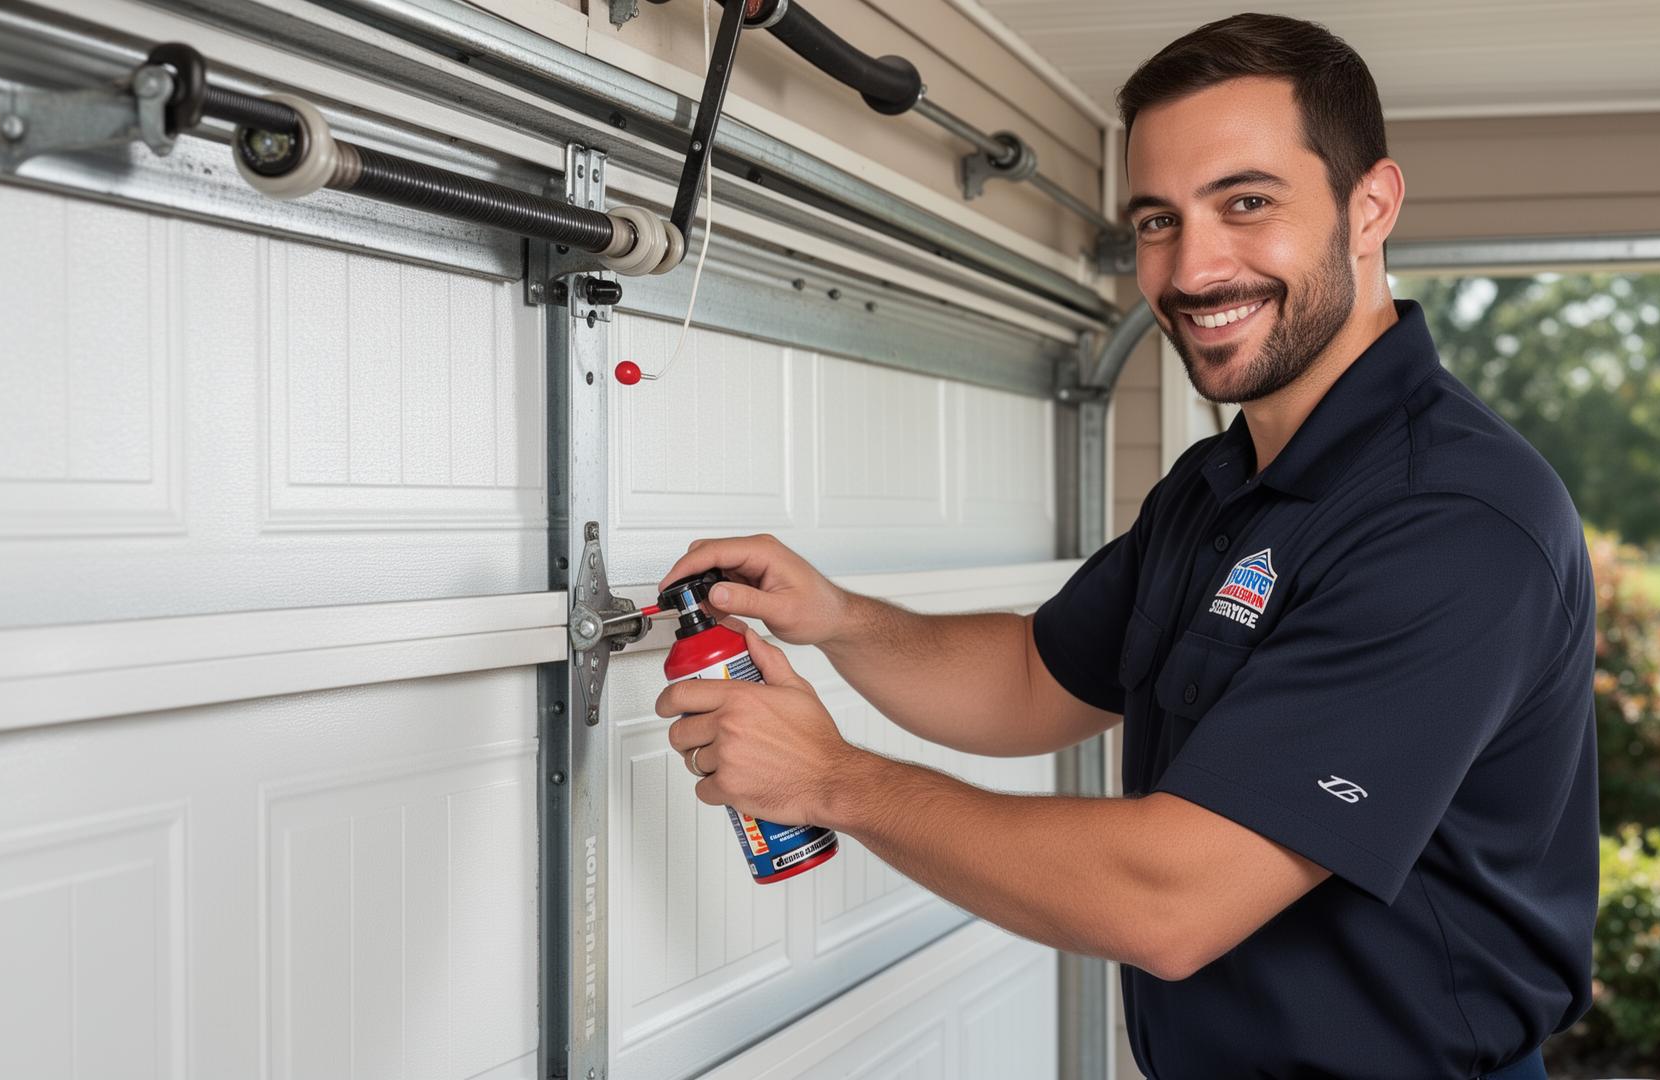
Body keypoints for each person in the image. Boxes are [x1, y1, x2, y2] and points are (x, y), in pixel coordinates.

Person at [655, 12, 1596, 1078]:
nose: (1193, 268)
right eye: (1158, 219)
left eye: (1246, 202)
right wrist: (837, 619)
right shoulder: (1217, 487)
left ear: (1369, 206)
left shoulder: (1451, 521)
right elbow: (1030, 679)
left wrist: (836, 781)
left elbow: (1172, 900)